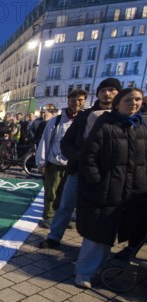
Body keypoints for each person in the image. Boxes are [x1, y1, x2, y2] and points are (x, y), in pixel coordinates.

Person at [74, 88, 147, 288]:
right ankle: (84, 273)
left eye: (138, 99)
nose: (134, 103)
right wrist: (97, 181)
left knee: (111, 232)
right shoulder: (106, 125)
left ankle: (100, 268)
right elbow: (88, 157)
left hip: (131, 192)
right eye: (129, 99)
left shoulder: (141, 127)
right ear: (118, 103)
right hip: (105, 190)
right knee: (96, 235)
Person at [40, 78, 121, 249]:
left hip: (107, 174)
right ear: (98, 93)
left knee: (96, 211)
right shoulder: (84, 116)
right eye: (103, 90)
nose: (107, 94)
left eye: (112, 90)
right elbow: (66, 142)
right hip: (79, 169)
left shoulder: (122, 117)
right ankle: (54, 237)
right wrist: (79, 156)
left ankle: (92, 244)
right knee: (65, 205)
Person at [35, 89, 87, 228]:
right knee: (51, 192)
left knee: (67, 195)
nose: (76, 102)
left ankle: (62, 218)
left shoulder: (86, 120)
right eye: (73, 99)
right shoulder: (56, 120)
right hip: (55, 163)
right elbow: (45, 141)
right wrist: (41, 162)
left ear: (84, 102)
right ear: (68, 100)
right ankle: (48, 217)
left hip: (74, 165)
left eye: (80, 100)